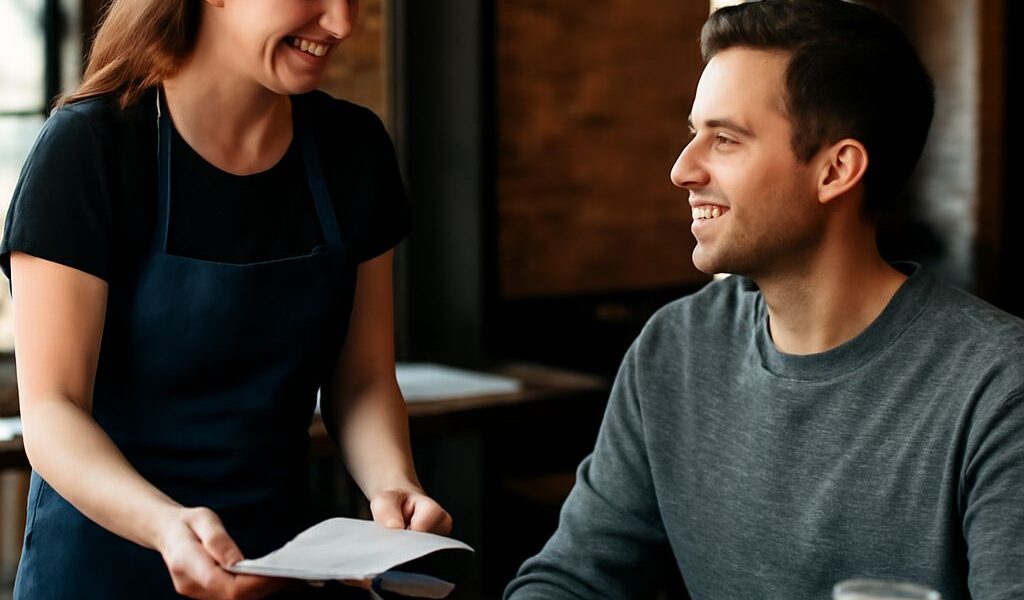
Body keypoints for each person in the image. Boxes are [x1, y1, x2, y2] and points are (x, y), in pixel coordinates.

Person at [505, 1, 1024, 599]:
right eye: (694, 134)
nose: (682, 170)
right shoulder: (677, 346)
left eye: (725, 139)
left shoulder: (998, 384)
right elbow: (572, 579)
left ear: (836, 171)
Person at [1, 0, 451, 598]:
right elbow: (52, 410)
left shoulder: (354, 148)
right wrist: (166, 526)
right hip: (102, 572)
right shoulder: (90, 147)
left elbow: (363, 379)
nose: (342, 23)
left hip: (279, 569)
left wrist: (393, 484)